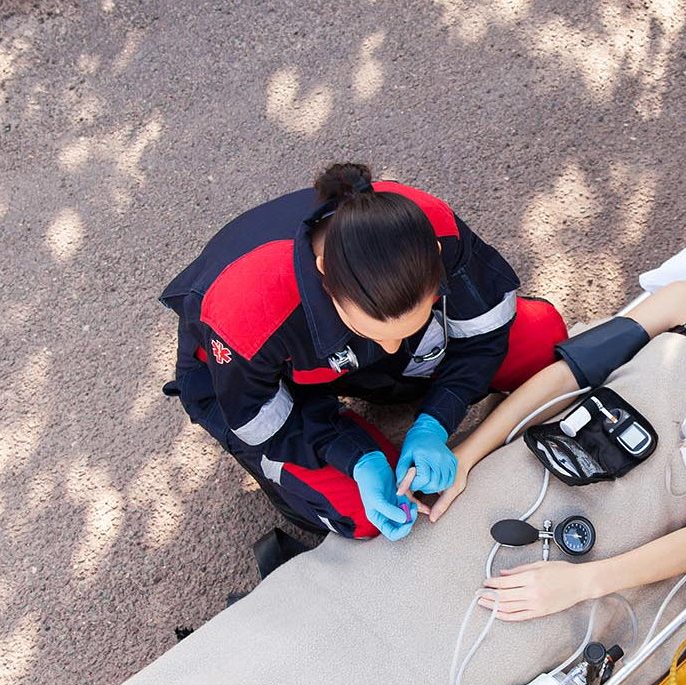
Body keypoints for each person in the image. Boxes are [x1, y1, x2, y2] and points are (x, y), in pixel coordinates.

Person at [428, 230, 686, 620]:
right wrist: (469, 454)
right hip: (540, 466)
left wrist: (582, 584)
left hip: (612, 563)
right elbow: (568, 376)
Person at [159, 163, 567, 545]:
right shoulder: (247, 311)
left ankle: (391, 350)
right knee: (362, 511)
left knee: (539, 338)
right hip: (263, 384)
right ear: (324, 275)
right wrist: (356, 457)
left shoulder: (431, 227)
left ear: (436, 259)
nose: (389, 348)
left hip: (343, 354)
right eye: (369, 330)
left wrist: (436, 421)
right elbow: (259, 420)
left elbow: (484, 331)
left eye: (406, 326)